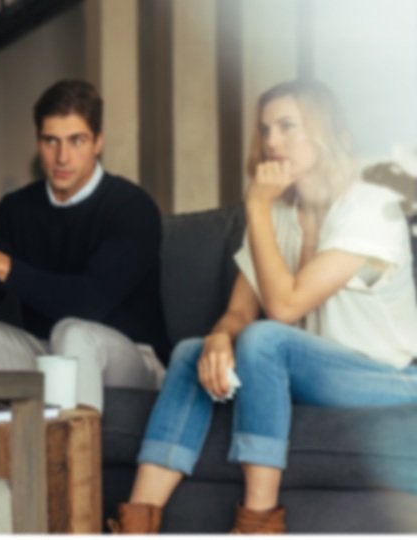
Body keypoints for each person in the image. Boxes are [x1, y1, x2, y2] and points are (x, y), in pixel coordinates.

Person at [109, 80, 417, 533]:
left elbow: (284, 308)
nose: (271, 142)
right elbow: (238, 314)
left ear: (325, 130)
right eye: (266, 129)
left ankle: (256, 523)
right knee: (191, 353)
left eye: (288, 126)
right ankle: (138, 520)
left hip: (389, 376)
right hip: (315, 372)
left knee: (266, 340)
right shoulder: (279, 214)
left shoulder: (370, 205)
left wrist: (253, 206)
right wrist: (217, 337)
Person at [0, 79, 170, 412]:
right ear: (38, 142)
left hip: (131, 357)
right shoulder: (16, 209)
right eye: (50, 141)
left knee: (73, 333)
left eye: (77, 141)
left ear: (98, 143)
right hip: (48, 350)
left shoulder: (132, 207)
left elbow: (89, 303)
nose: (62, 157)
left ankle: (68, 463)